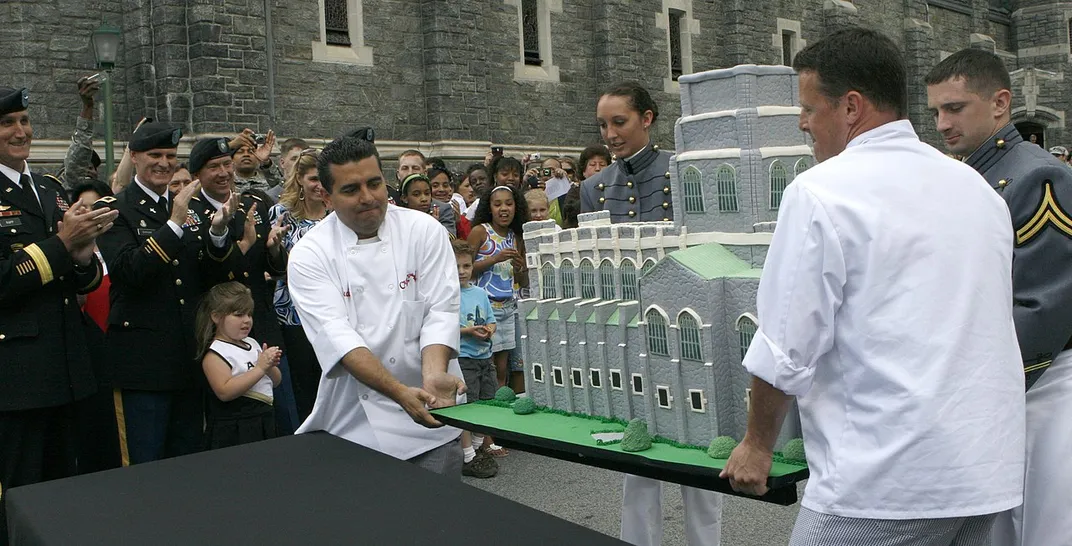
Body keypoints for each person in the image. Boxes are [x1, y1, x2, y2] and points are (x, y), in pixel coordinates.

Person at [721, 28, 1026, 546]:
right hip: (982, 472)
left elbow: (787, 344)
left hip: (885, 480)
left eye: (809, 107)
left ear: (851, 107)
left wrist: (756, 445)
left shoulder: (821, 191)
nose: (802, 123)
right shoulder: (976, 188)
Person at [925, 48, 1072, 546]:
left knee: (1044, 523)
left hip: (1042, 382)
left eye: (955, 108)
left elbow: (1043, 306)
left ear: (1000, 103)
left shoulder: (1036, 177)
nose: (943, 123)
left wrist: (978, 385)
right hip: (995, 379)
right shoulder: (970, 174)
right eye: (936, 112)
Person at [287, 134, 467, 476]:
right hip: (356, 425)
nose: (368, 198)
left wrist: (433, 377)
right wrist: (400, 392)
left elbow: (440, 311)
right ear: (326, 197)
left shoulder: (423, 230)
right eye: (351, 189)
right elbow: (341, 340)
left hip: (433, 420)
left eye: (374, 184)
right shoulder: (309, 255)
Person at [0, 86, 115, 546]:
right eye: (8, 123)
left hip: (69, 367)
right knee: (22, 494)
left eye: (25, 121)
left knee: (64, 490)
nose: (21, 131)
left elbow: (77, 283)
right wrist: (62, 245)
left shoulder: (47, 188)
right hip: (19, 378)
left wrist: (84, 256)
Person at [94, 122, 243, 465]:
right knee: (145, 462)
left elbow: (209, 280)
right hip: (143, 363)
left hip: (187, 358)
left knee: (187, 459)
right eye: (154, 155)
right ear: (134, 157)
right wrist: (174, 225)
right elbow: (130, 272)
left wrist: (218, 235)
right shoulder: (117, 208)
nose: (163, 163)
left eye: (170, 156)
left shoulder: (185, 208)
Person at [186, 136, 295, 434]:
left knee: (281, 414)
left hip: (261, 324)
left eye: (226, 164)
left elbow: (270, 268)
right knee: (236, 422)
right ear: (197, 174)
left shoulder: (252, 204)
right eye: (213, 167)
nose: (223, 172)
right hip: (222, 332)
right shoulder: (189, 213)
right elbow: (203, 273)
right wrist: (236, 245)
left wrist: (273, 249)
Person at [466, 184, 529, 456]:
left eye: (509, 203)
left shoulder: (517, 236)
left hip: (509, 308)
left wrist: (520, 268)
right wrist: (493, 258)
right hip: (485, 309)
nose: (503, 209)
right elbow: (464, 268)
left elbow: (522, 281)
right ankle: (484, 437)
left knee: (502, 373)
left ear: (516, 207)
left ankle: (496, 432)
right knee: (486, 372)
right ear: (488, 208)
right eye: (497, 204)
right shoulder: (481, 232)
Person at [269, 148, 329, 422]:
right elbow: (270, 265)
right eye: (314, 179)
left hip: (333, 312)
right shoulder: (282, 213)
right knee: (304, 387)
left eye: (325, 179)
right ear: (300, 179)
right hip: (293, 314)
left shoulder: (339, 214)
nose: (320, 185)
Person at [196, 281, 282, 449]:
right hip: (235, 429)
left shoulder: (252, 343)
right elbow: (224, 391)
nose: (246, 320)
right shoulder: (215, 354)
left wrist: (270, 366)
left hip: (264, 419)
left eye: (249, 314)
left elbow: (276, 382)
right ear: (216, 316)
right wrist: (260, 368)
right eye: (238, 315)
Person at [580, 82, 673, 222]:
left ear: (646, 119)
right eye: (603, 125)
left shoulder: (680, 171)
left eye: (619, 122)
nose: (610, 134)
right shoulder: (591, 187)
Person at [452, 238, 499, 479]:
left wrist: (489, 329)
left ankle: (480, 447)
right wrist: (468, 332)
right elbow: (445, 328)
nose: (461, 272)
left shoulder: (480, 292)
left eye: (466, 266)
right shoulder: (447, 295)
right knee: (468, 408)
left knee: (486, 403)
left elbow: (491, 320)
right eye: (456, 266)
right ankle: (468, 455)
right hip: (464, 358)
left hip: (485, 357)